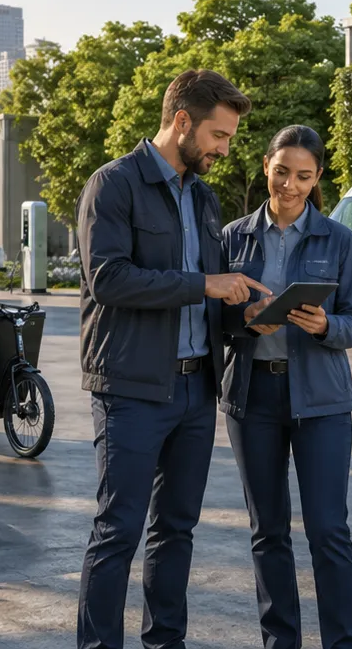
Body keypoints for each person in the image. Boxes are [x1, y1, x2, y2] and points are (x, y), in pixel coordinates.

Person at [76, 69, 270, 649]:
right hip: (130, 389)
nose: (224, 149)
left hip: (193, 392)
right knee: (118, 532)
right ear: (181, 121)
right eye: (219, 135)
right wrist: (205, 285)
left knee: (176, 531)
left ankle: (166, 643)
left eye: (230, 138)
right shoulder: (113, 185)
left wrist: (249, 313)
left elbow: (209, 292)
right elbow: (108, 279)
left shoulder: (205, 197)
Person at [222, 125, 352, 649]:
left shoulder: (338, 239)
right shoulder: (233, 237)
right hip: (251, 399)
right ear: (266, 165)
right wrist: (245, 321)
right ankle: (279, 642)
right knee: (268, 533)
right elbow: (211, 319)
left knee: (329, 532)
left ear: (317, 178)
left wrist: (326, 326)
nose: (289, 185)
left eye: (303, 176)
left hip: (323, 403)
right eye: (282, 171)